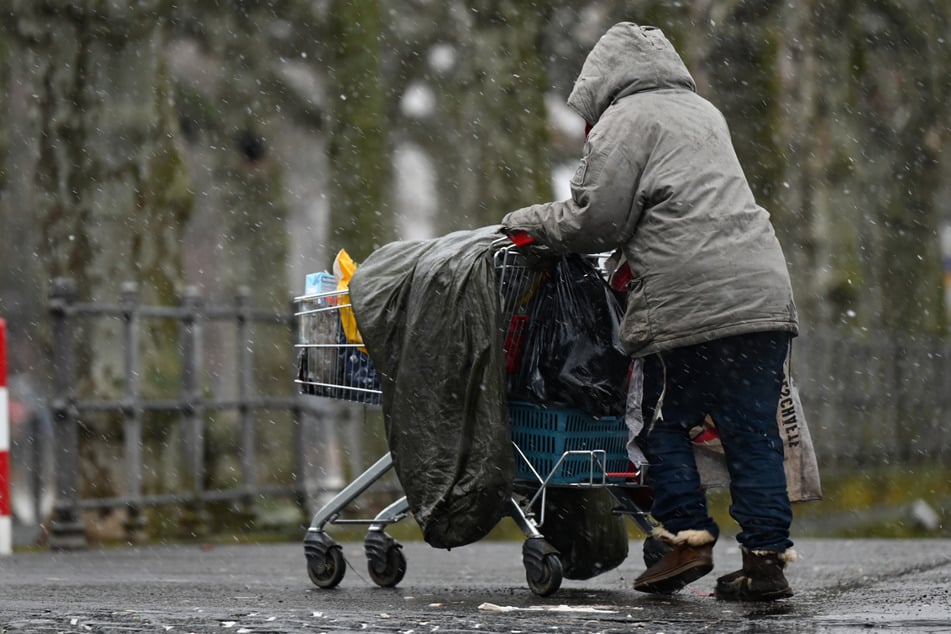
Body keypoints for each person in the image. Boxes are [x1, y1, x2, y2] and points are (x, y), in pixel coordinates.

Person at [500, 21, 799, 601]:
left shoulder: (625, 119)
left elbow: (597, 221)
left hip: (686, 296)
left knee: (660, 423)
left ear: (600, 82)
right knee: (751, 433)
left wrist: (525, 222)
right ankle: (765, 562)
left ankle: (686, 539)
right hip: (763, 293)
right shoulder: (704, 112)